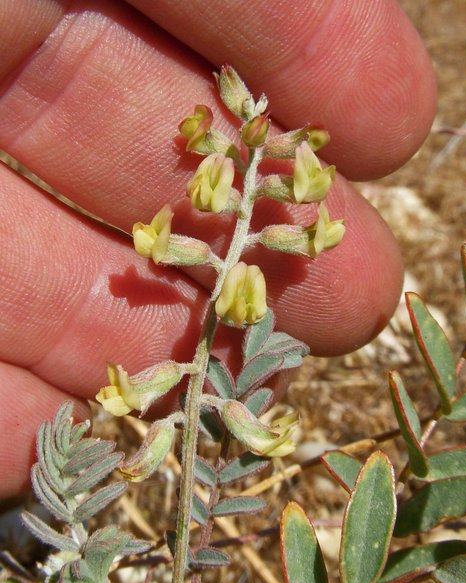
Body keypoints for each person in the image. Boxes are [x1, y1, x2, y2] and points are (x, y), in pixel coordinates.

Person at [0, 0, 436, 499]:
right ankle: (149, 402)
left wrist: (297, 232)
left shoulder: (255, 210)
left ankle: (170, 408)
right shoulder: (220, 186)